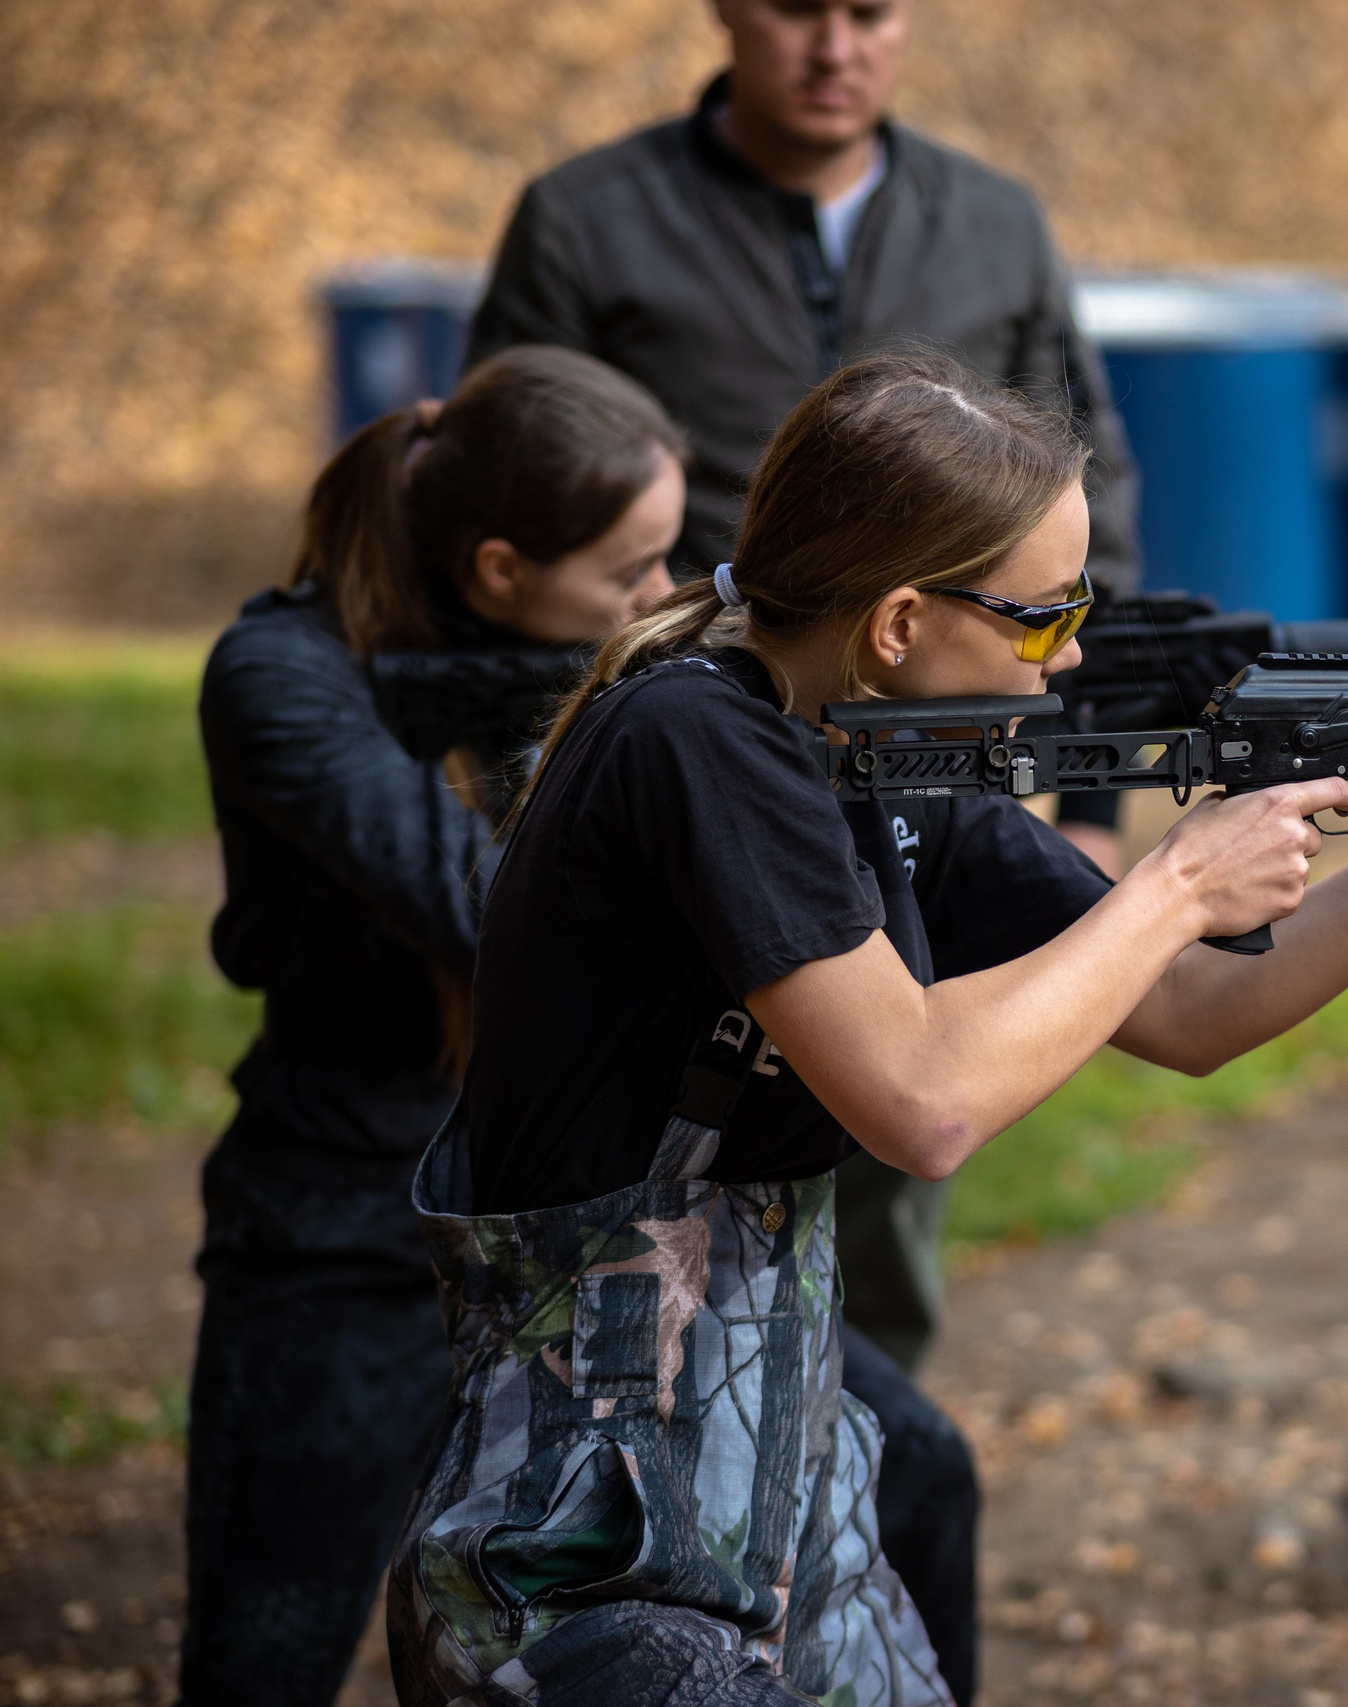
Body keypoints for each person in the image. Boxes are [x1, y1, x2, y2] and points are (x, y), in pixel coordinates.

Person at [385, 351, 1348, 1707]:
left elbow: (1191, 1008)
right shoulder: (699, 738)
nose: (1075, 654)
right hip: (591, 1522)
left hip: (769, 1471)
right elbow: (922, 1101)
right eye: (1047, 618)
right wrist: (1175, 884)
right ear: (899, 622)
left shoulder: (877, 747)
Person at [468, 0, 1141, 1401]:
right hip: (720, 756)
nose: (834, 46)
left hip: (877, 738)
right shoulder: (591, 219)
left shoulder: (992, 219)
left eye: (868, 11)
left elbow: (1088, 522)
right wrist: (1179, 885)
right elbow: (512, 506)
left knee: (875, 1355)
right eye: (796, 9)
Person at [184, 347, 686, 1706]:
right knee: (264, 1660)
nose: (663, 597)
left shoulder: (596, 663)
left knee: (911, 1469)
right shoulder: (280, 674)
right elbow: (486, 906)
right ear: (501, 571)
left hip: (567, 1229)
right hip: (345, 1230)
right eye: (630, 571)